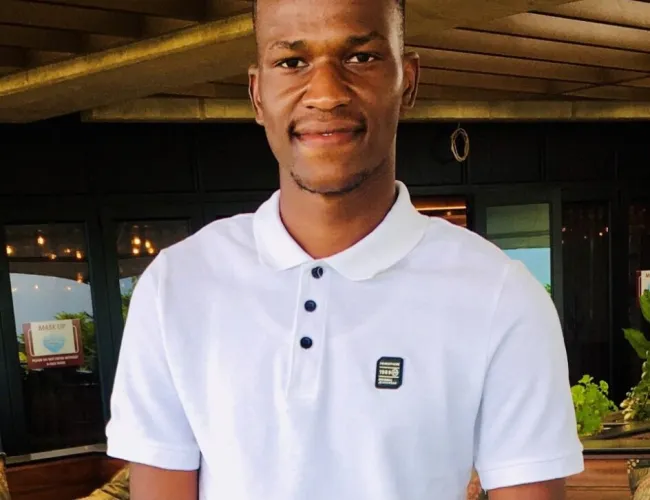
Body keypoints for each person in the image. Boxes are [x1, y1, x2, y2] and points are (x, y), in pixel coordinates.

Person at [105, 0, 585, 498]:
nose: (327, 93)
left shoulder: (501, 296)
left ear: (408, 82)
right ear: (257, 93)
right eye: (292, 62)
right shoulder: (176, 285)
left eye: (361, 58)